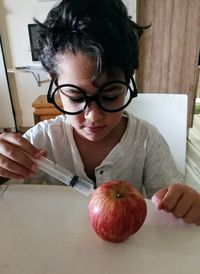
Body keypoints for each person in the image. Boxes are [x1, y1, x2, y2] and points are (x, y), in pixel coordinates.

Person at [0, 0, 200, 224]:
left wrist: (185, 203)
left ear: (128, 81)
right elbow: (9, 201)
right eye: (76, 98)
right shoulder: (41, 141)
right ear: (54, 83)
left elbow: (171, 205)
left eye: (111, 95)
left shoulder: (146, 140)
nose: (93, 116)